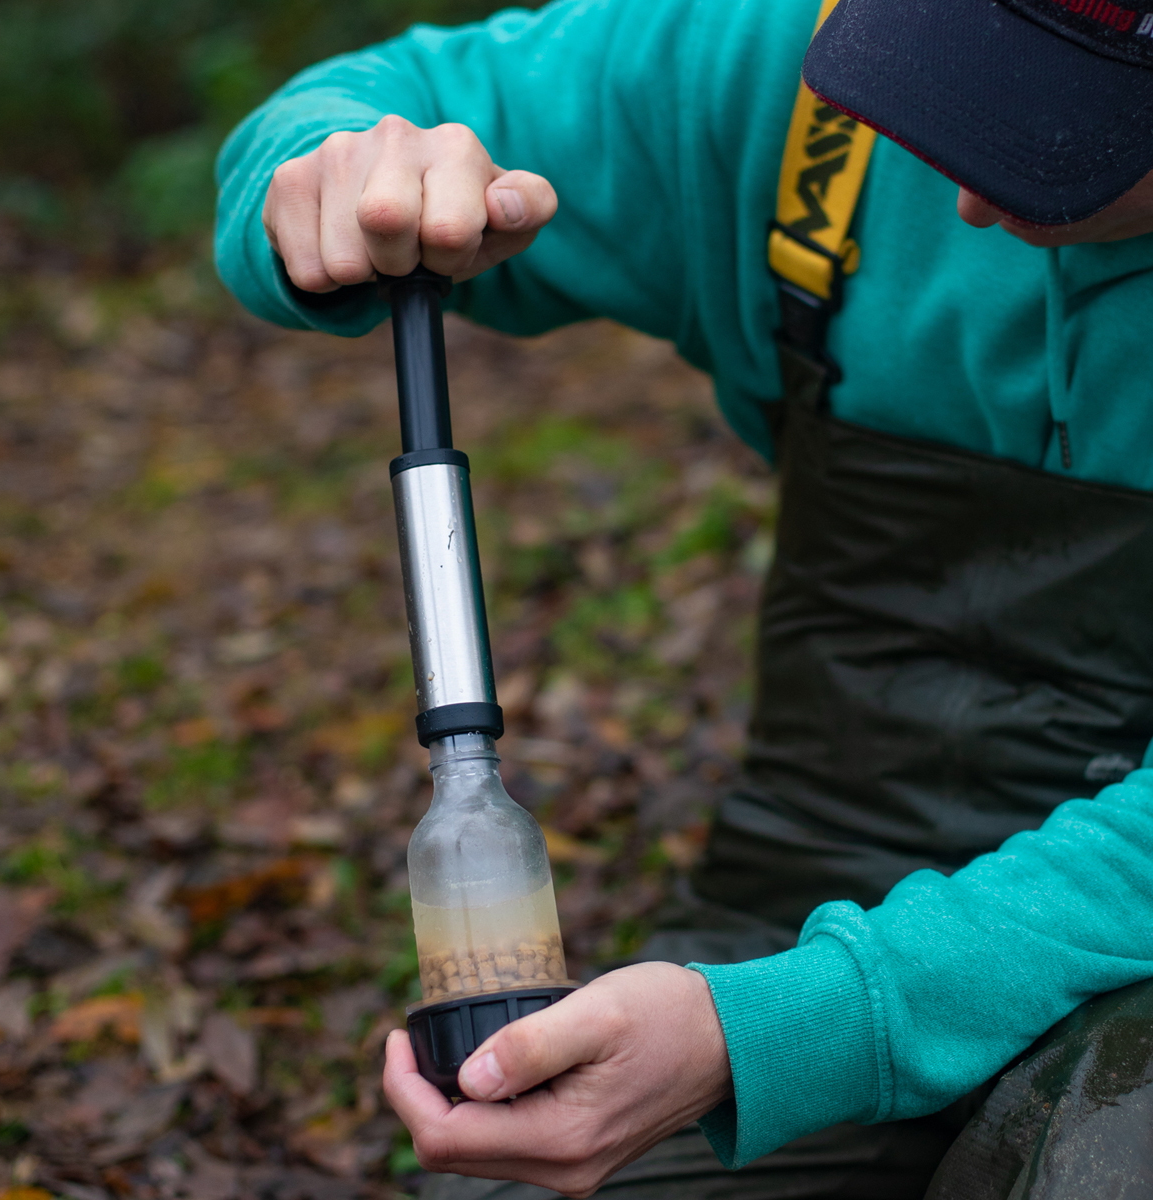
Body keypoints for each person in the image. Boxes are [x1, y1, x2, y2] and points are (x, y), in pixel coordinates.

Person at [213, 0, 1153, 1194]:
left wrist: (768, 1036)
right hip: (808, 910)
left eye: (1059, 134)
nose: (964, 198)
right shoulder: (797, 89)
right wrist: (338, 188)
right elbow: (350, 107)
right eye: (952, 85)